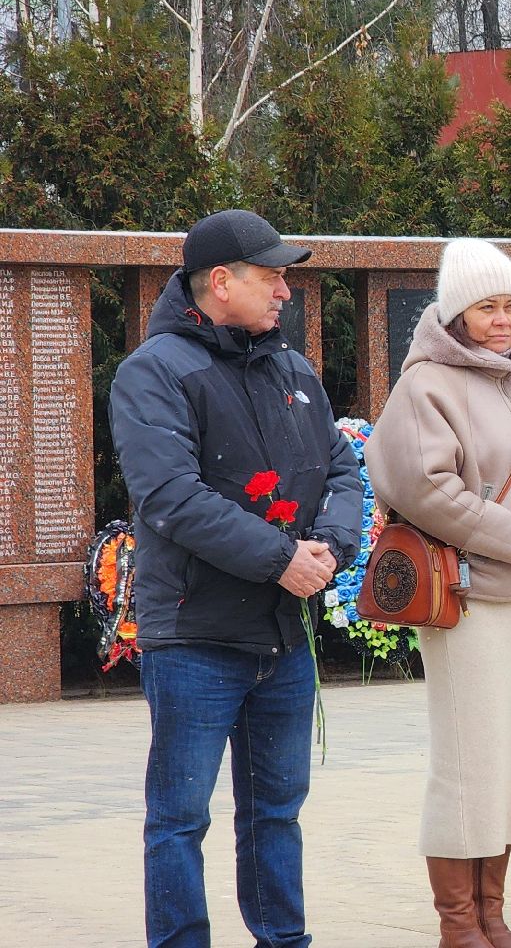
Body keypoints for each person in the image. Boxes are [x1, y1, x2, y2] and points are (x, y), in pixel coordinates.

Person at [110, 209, 362, 948]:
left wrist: (329, 550)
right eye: (273, 275)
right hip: (196, 637)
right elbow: (172, 498)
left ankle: (284, 941)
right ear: (220, 282)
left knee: (276, 814)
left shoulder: (292, 366)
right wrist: (282, 560)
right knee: (180, 819)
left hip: (282, 639)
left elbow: (342, 467)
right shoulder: (153, 371)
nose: (287, 290)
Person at [365, 239, 511, 948]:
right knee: (469, 766)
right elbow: (428, 492)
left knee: (510, 766)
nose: (502, 320)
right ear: (454, 311)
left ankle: (493, 914)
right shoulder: (425, 386)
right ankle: (457, 923)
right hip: (467, 602)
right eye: (485, 307)